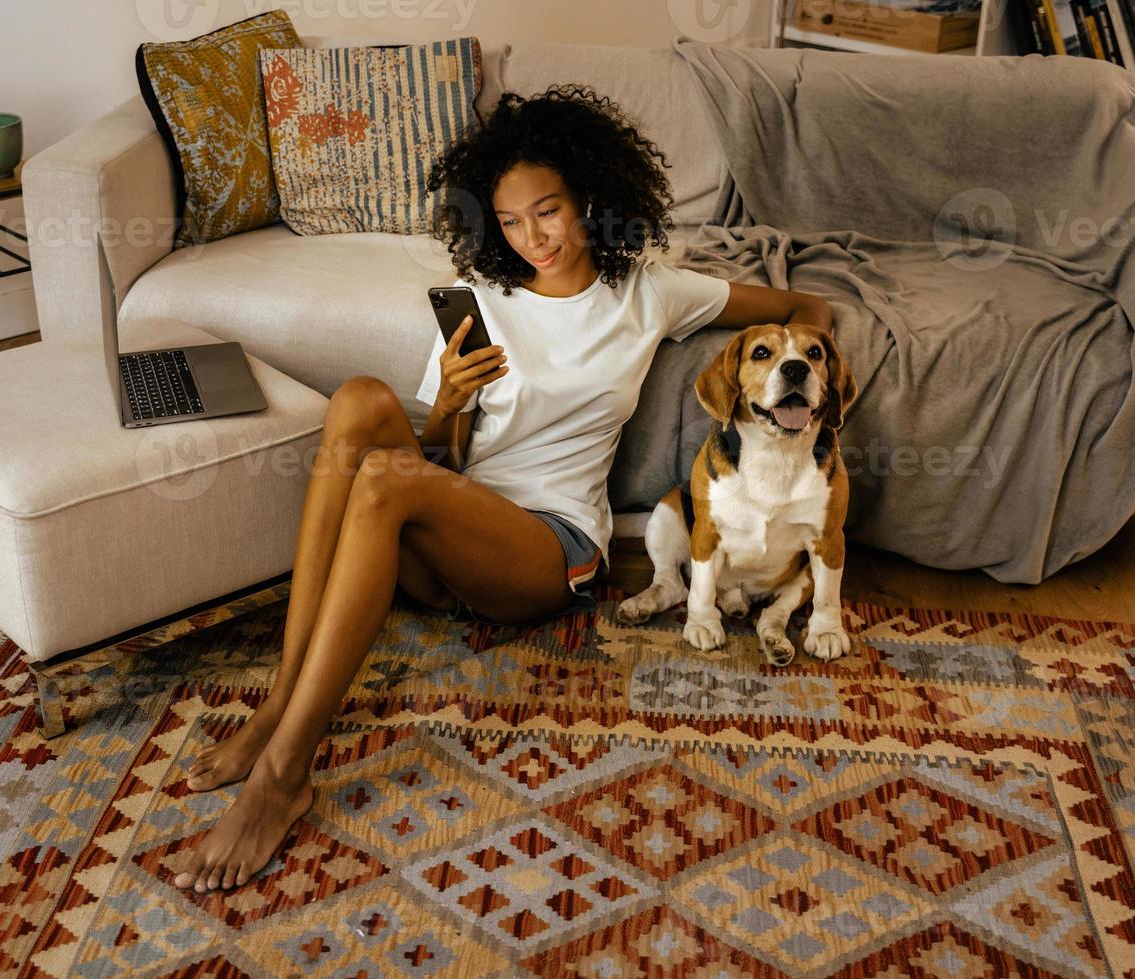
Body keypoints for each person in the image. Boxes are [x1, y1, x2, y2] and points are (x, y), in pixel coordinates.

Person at [169, 84, 834, 893]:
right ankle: (278, 704)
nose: (533, 239)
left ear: (589, 197)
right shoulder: (482, 302)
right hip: (454, 535)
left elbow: (804, 305)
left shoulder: (649, 292)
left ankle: (284, 772)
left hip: (548, 548)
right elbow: (444, 463)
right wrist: (449, 399)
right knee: (359, 402)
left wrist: (802, 391)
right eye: (511, 222)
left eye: (548, 212)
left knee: (385, 473)